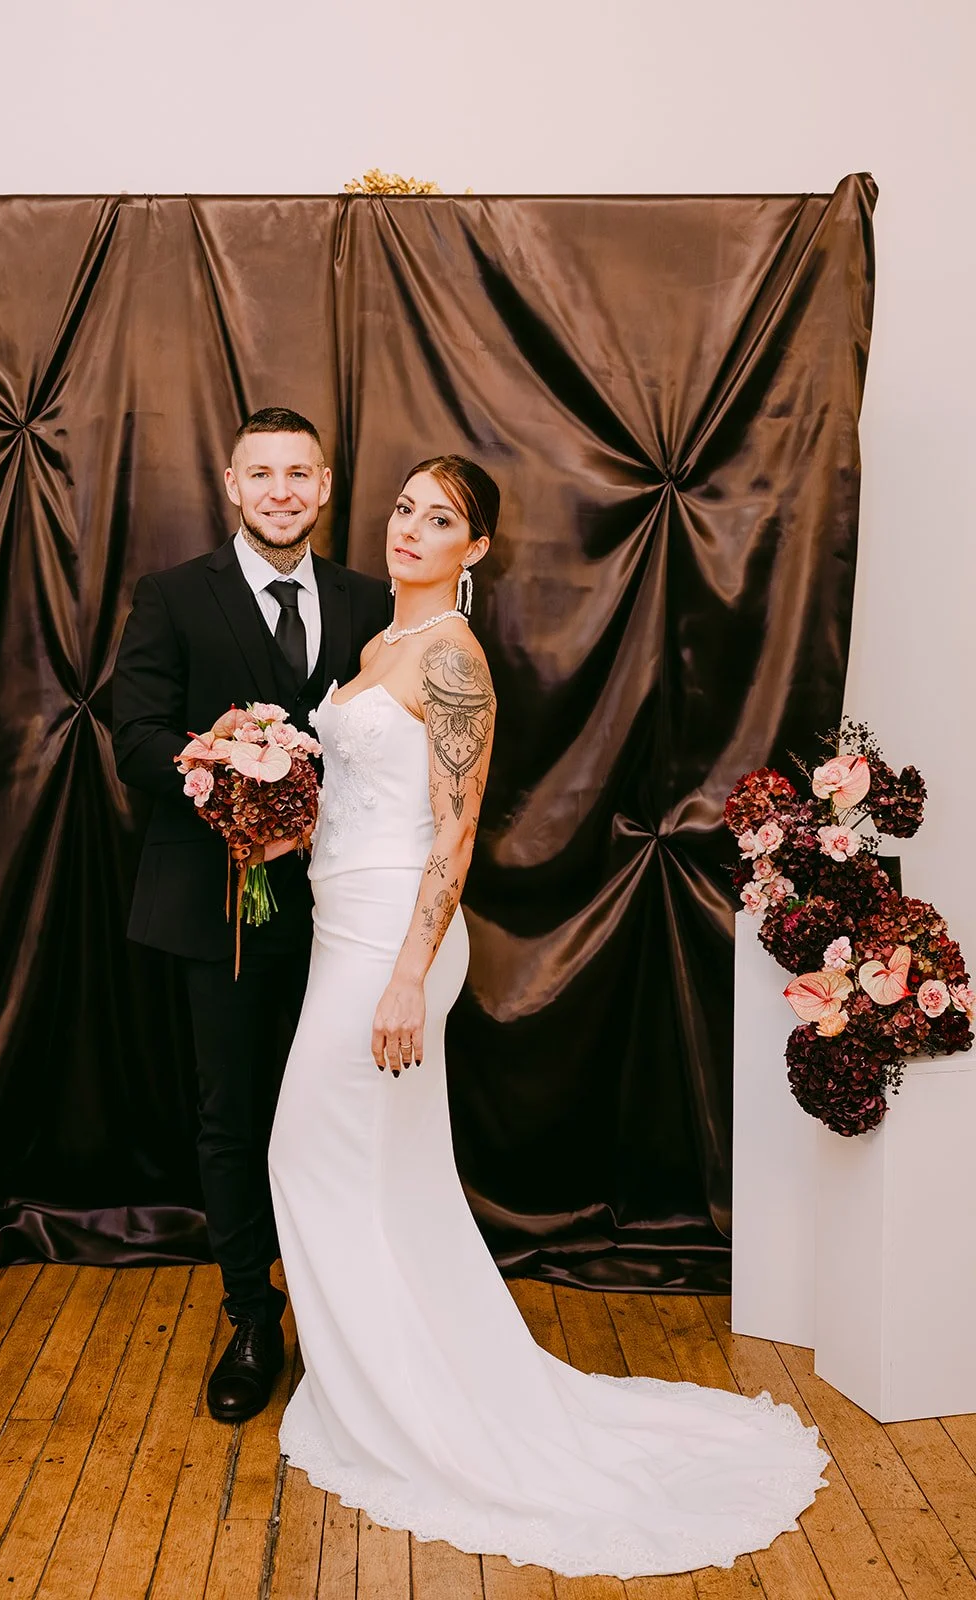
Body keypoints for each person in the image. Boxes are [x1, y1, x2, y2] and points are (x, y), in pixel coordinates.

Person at [268, 454, 829, 1578]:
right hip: (344, 925)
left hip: (392, 940)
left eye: (439, 519)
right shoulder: (379, 646)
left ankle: (409, 1413)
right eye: (404, 509)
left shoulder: (452, 657)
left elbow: (454, 828)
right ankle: (385, 1389)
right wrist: (276, 810)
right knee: (382, 1176)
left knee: (312, 1157)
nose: (409, 529)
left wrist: (406, 975)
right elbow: (365, 793)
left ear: (475, 549)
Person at [111, 407, 391, 1423]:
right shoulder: (174, 595)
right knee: (232, 1116)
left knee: (347, 1110)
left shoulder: (370, 600)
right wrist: (218, 763)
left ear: (324, 487)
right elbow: (133, 735)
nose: (280, 491)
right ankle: (250, 1317)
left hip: (347, 904)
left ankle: (350, 1319)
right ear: (232, 485)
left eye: (298, 474)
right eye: (260, 474)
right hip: (217, 905)